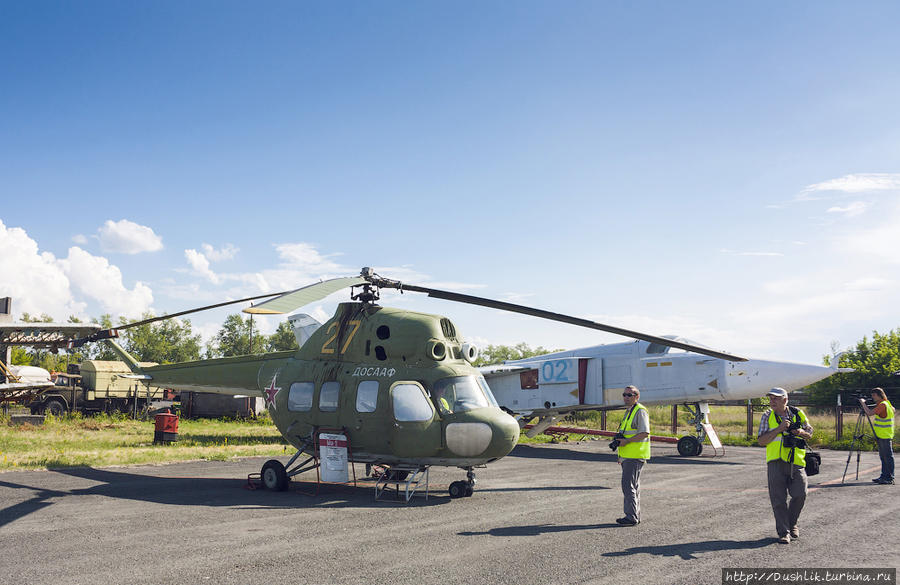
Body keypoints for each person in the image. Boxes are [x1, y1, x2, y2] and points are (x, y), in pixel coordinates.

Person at [757, 387, 813, 544]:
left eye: (775, 398)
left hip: (796, 461)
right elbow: (761, 441)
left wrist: (800, 432)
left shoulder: (798, 413)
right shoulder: (767, 416)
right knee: (778, 499)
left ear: (785, 400)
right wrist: (779, 429)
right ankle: (784, 532)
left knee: (800, 493)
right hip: (775, 462)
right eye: (771, 398)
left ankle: (792, 522)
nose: (772, 401)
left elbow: (810, 434)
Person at [615, 385, 650, 526]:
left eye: (630, 395)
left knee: (627, 485)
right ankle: (634, 515)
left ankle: (631, 517)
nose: (626, 397)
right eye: (624, 394)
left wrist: (627, 441)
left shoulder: (640, 411)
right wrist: (621, 455)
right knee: (633, 486)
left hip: (635, 455)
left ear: (637, 396)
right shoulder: (629, 411)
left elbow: (644, 432)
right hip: (628, 455)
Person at [859, 387, 894, 485]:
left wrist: (863, 403)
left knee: (887, 456)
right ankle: (884, 476)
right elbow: (893, 410)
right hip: (882, 434)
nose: (872, 397)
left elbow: (869, 413)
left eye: (874, 395)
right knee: (883, 457)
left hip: (884, 435)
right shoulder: (887, 403)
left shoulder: (883, 405)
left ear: (879, 395)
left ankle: (889, 477)